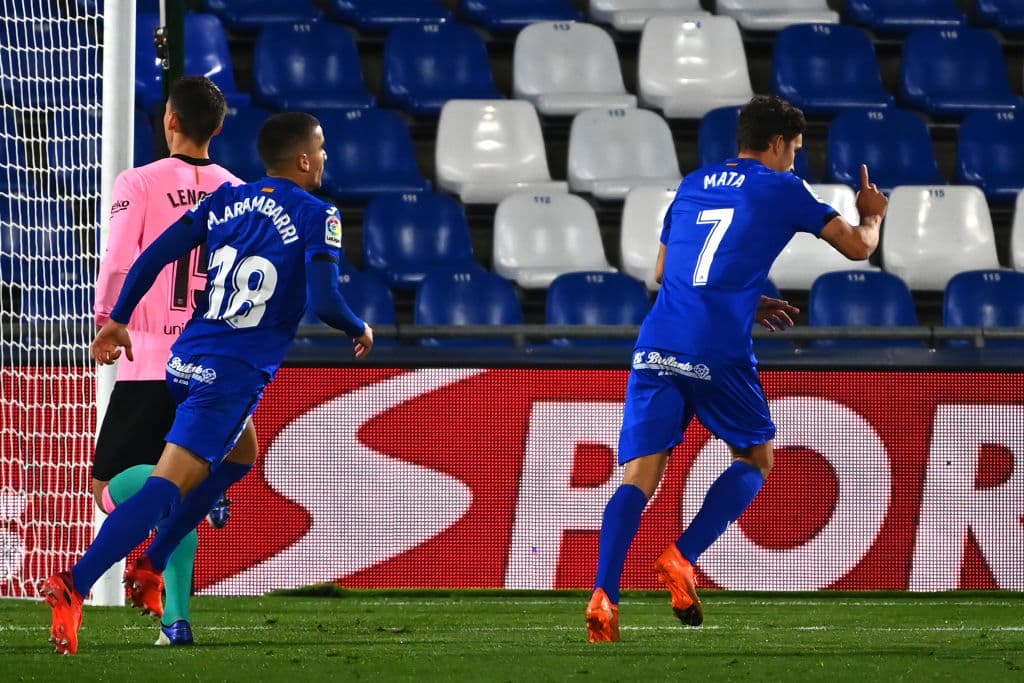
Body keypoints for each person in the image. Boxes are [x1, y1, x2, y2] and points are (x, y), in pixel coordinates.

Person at [42, 112, 374, 655]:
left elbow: (152, 256)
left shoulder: (226, 200)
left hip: (184, 361)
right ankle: (76, 582)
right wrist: (358, 327)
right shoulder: (318, 214)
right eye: (321, 148)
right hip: (230, 376)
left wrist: (119, 318)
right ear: (304, 159)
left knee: (242, 455)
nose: (325, 157)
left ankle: (152, 562)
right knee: (165, 489)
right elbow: (325, 301)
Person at [586, 95, 889, 642]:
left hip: (657, 341)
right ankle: (681, 557)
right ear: (776, 143)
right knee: (755, 457)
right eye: (794, 149)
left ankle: (604, 596)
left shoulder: (693, 183)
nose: (794, 159)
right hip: (716, 347)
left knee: (638, 476)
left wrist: (745, 299)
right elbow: (858, 248)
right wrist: (871, 214)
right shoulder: (783, 187)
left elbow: (665, 271)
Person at [92, 75, 242, 647]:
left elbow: (119, 261)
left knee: (110, 489)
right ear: (218, 129)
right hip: (216, 363)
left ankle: (193, 488)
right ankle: (175, 621)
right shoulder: (240, 191)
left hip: (153, 358)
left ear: (170, 121)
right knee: (173, 491)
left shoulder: (138, 182)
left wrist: (110, 318)